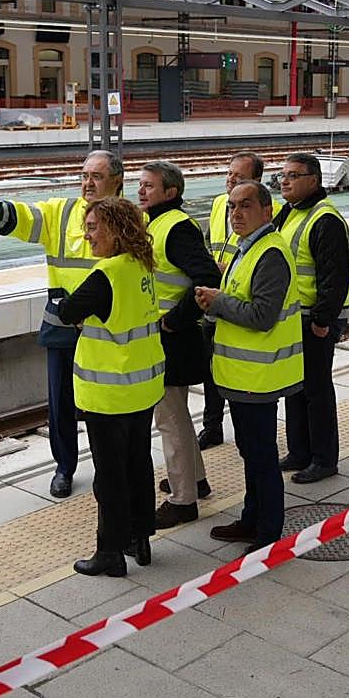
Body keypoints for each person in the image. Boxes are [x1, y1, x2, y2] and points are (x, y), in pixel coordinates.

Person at [0, 150, 121, 499]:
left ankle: (106, 470)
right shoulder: (61, 212)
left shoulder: (129, 219)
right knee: (61, 404)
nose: (87, 183)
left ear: (116, 182)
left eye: (96, 176)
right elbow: (26, 217)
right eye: (84, 175)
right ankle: (64, 468)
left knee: (104, 405)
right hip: (62, 327)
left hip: (107, 331)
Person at [58, 197, 164, 577]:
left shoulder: (107, 274)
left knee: (109, 475)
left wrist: (69, 308)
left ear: (116, 231)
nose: (87, 236)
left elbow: (67, 311)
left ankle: (110, 552)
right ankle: (140, 539)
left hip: (109, 394)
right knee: (139, 463)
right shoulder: (141, 266)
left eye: (92, 228)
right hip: (143, 387)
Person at [195, 181, 302, 555]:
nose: (235, 214)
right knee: (250, 451)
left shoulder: (270, 254)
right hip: (242, 375)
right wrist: (216, 303)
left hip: (259, 377)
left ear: (267, 211)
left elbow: (262, 316)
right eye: (231, 207)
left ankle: (268, 532)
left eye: (245, 206)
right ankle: (251, 518)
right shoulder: (248, 248)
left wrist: (218, 302)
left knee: (261, 455)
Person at [139, 161, 221, 528]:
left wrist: (174, 319)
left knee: (169, 419)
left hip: (172, 338)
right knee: (177, 416)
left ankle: (183, 499)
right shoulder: (157, 223)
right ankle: (195, 480)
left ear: (170, 192)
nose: (141, 191)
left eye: (149, 186)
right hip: (170, 337)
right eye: (141, 184)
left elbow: (207, 276)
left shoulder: (175, 227)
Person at [274, 154, 349, 485]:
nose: (285, 181)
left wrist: (322, 319)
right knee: (295, 388)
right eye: (282, 175)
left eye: (293, 175)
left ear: (314, 180)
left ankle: (323, 459)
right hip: (295, 317)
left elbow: (334, 275)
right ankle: (299, 451)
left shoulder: (325, 219)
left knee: (317, 390)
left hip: (314, 320)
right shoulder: (291, 212)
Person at [199, 151, 279, 451]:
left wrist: (228, 271)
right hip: (216, 297)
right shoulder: (220, 203)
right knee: (213, 369)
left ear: (257, 182)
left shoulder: (268, 215)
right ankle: (212, 426)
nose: (231, 180)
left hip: (236, 300)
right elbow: (209, 242)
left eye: (240, 176)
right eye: (229, 173)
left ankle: (245, 433)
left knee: (254, 434)